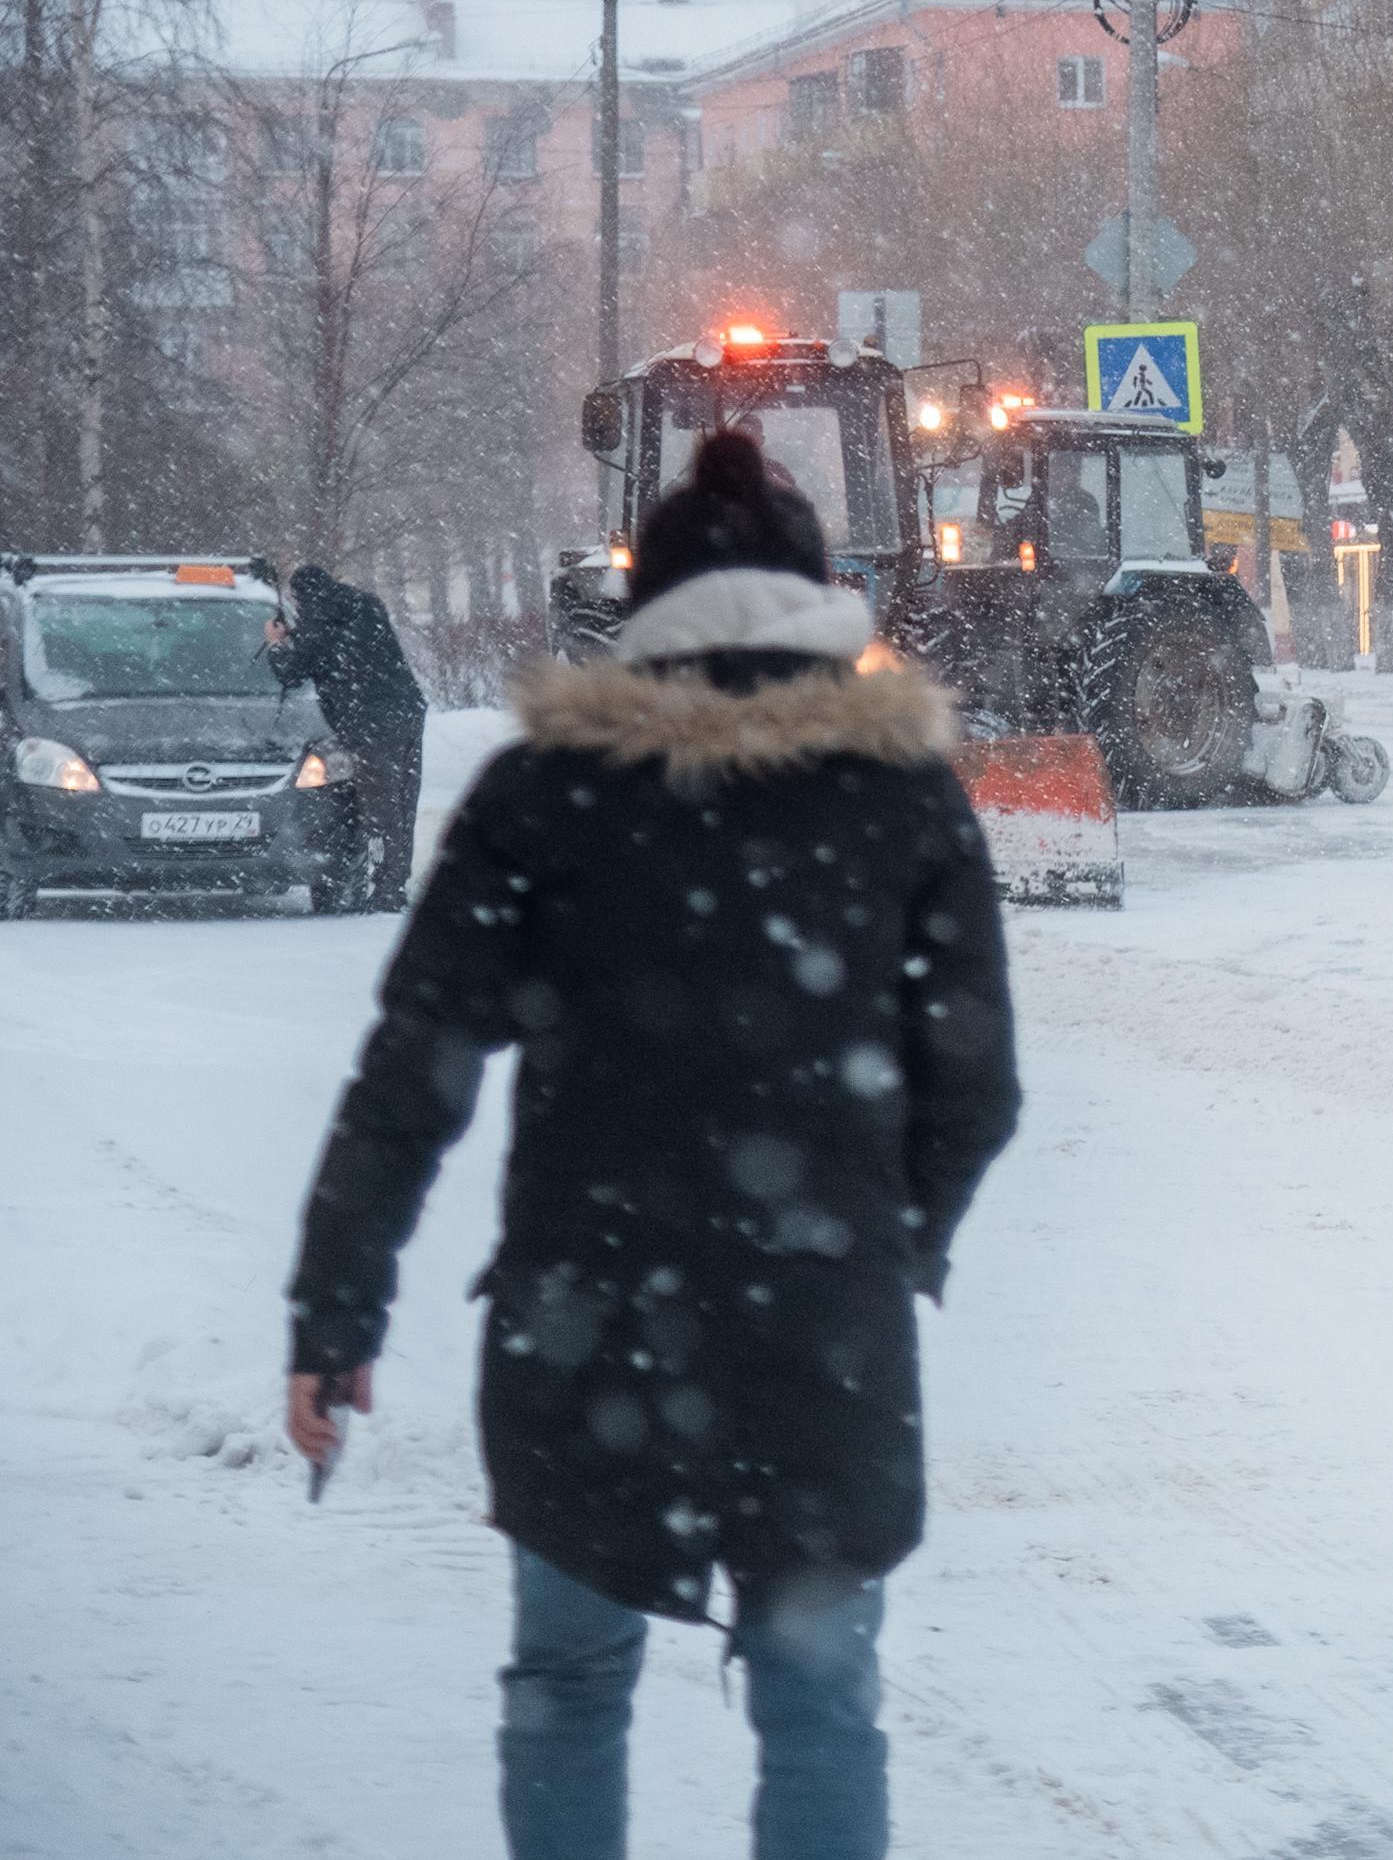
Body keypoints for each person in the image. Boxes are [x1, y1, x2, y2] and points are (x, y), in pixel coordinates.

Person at [283, 430, 1019, 1860]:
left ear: (650, 603)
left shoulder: (545, 794)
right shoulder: (904, 795)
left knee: (566, 1686)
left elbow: (410, 1074)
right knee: (821, 1705)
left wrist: (336, 1305)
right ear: (819, 596)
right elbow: (975, 1090)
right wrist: (887, 1244)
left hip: (587, 1325)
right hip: (823, 1337)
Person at [268, 564, 428, 911]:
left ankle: (387, 894)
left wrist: (277, 644)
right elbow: (343, 648)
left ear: (299, 596)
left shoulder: (317, 622)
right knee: (402, 801)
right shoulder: (365, 605)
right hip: (407, 709)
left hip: (369, 720)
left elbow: (292, 671)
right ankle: (394, 883)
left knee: (380, 808)